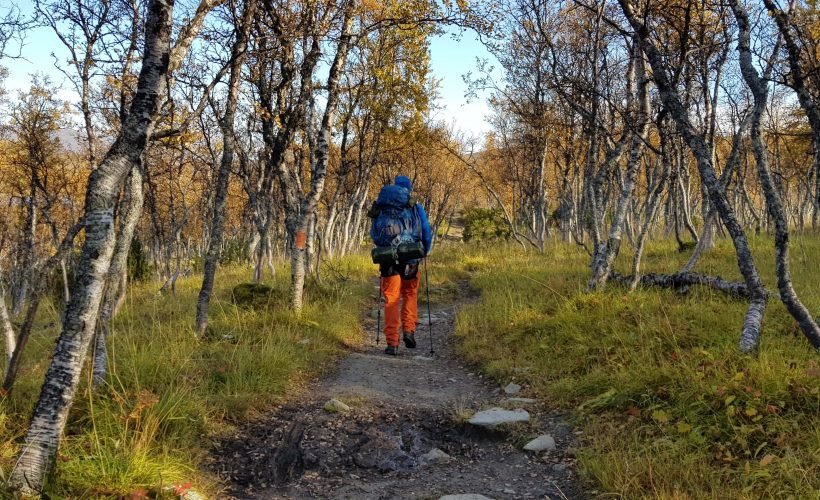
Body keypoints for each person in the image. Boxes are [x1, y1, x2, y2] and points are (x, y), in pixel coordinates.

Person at [369, 175, 432, 355]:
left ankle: (392, 343)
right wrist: (425, 251)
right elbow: (426, 232)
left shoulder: (382, 207)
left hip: (387, 258)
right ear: (408, 189)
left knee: (391, 299)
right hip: (410, 259)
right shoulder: (416, 207)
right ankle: (409, 331)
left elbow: (374, 234)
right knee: (409, 294)